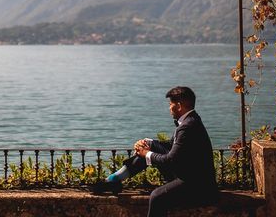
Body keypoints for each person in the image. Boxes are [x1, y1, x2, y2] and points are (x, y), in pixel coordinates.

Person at [92, 86, 218, 217]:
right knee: (150, 146)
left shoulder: (187, 126)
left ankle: (113, 180)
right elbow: (171, 145)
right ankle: (113, 180)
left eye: (170, 104)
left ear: (179, 106)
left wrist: (146, 153)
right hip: (188, 174)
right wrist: (147, 143)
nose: (169, 108)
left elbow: (170, 159)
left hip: (197, 187)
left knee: (157, 196)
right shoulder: (190, 120)